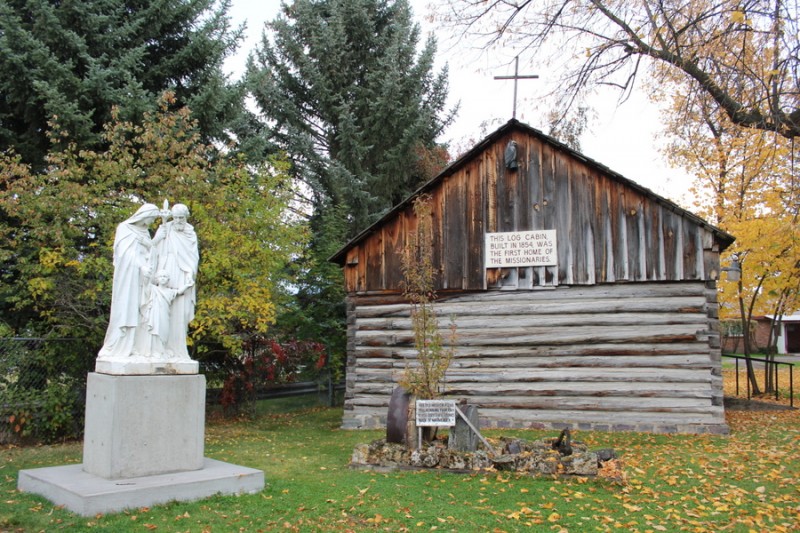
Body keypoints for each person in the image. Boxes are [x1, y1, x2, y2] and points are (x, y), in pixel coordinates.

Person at [98, 203, 160, 359]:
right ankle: (118, 346)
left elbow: (150, 251)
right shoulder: (125, 228)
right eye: (152, 218)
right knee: (126, 308)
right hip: (128, 276)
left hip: (142, 279)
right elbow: (124, 254)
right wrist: (141, 266)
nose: (152, 222)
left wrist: (149, 261)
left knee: (139, 310)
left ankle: (134, 345)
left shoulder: (145, 232)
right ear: (145, 215)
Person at [152, 203, 199, 360]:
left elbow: (193, 257)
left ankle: (178, 349)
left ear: (186, 217)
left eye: (181, 218)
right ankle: (160, 348)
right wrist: (160, 236)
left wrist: (190, 273)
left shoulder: (190, 234)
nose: (178, 220)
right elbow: (153, 248)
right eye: (176, 217)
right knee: (161, 311)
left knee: (180, 312)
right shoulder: (165, 228)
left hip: (182, 274)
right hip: (165, 271)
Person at [146, 270, 194, 358]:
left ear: (168, 279)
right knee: (156, 330)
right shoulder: (153, 289)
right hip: (155, 314)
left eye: (165, 277)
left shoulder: (169, 291)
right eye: (160, 276)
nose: (162, 278)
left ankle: (162, 349)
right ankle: (156, 351)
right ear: (157, 279)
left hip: (165, 313)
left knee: (164, 331)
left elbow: (179, 292)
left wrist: (187, 285)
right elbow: (145, 283)